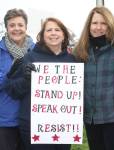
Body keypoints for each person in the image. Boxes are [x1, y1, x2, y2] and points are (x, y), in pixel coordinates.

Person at [3, 17, 76, 150]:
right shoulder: (30, 57)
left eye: (57, 30)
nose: (53, 33)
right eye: (49, 30)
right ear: (42, 36)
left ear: (64, 35)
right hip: (34, 126)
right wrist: (26, 79)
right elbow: (12, 90)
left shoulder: (73, 61)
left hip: (63, 126)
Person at [74, 6, 114, 150]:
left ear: (110, 25)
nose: (98, 27)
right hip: (90, 118)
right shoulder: (81, 51)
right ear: (89, 26)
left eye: (103, 23)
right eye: (95, 23)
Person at [0, 8, 34, 150]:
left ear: (26, 27)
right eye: (12, 25)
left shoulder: (35, 50)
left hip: (30, 119)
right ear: (6, 28)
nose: (16, 29)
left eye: (20, 25)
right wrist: (9, 76)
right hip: (5, 120)